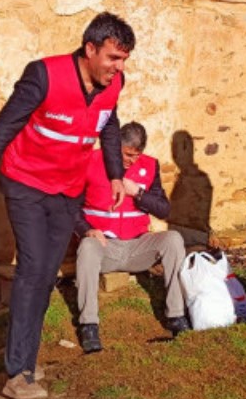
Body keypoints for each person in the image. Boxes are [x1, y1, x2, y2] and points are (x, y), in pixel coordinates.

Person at [0, 12, 134, 399]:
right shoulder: (44, 75)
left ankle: (25, 360)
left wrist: (114, 174)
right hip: (25, 183)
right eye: (112, 58)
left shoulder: (113, 83)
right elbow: (4, 126)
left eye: (123, 60)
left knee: (46, 275)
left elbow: (108, 122)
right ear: (90, 49)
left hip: (67, 190)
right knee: (33, 268)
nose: (118, 68)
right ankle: (15, 374)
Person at [73, 122, 188, 353]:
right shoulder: (89, 161)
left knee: (173, 239)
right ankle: (89, 324)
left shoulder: (150, 166)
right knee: (86, 247)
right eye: (127, 154)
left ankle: (176, 316)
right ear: (115, 146)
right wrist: (86, 229)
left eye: (137, 155)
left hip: (138, 246)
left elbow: (164, 210)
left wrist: (139, 193)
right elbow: (70, 207)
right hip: (103, 246)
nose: (132, 160)